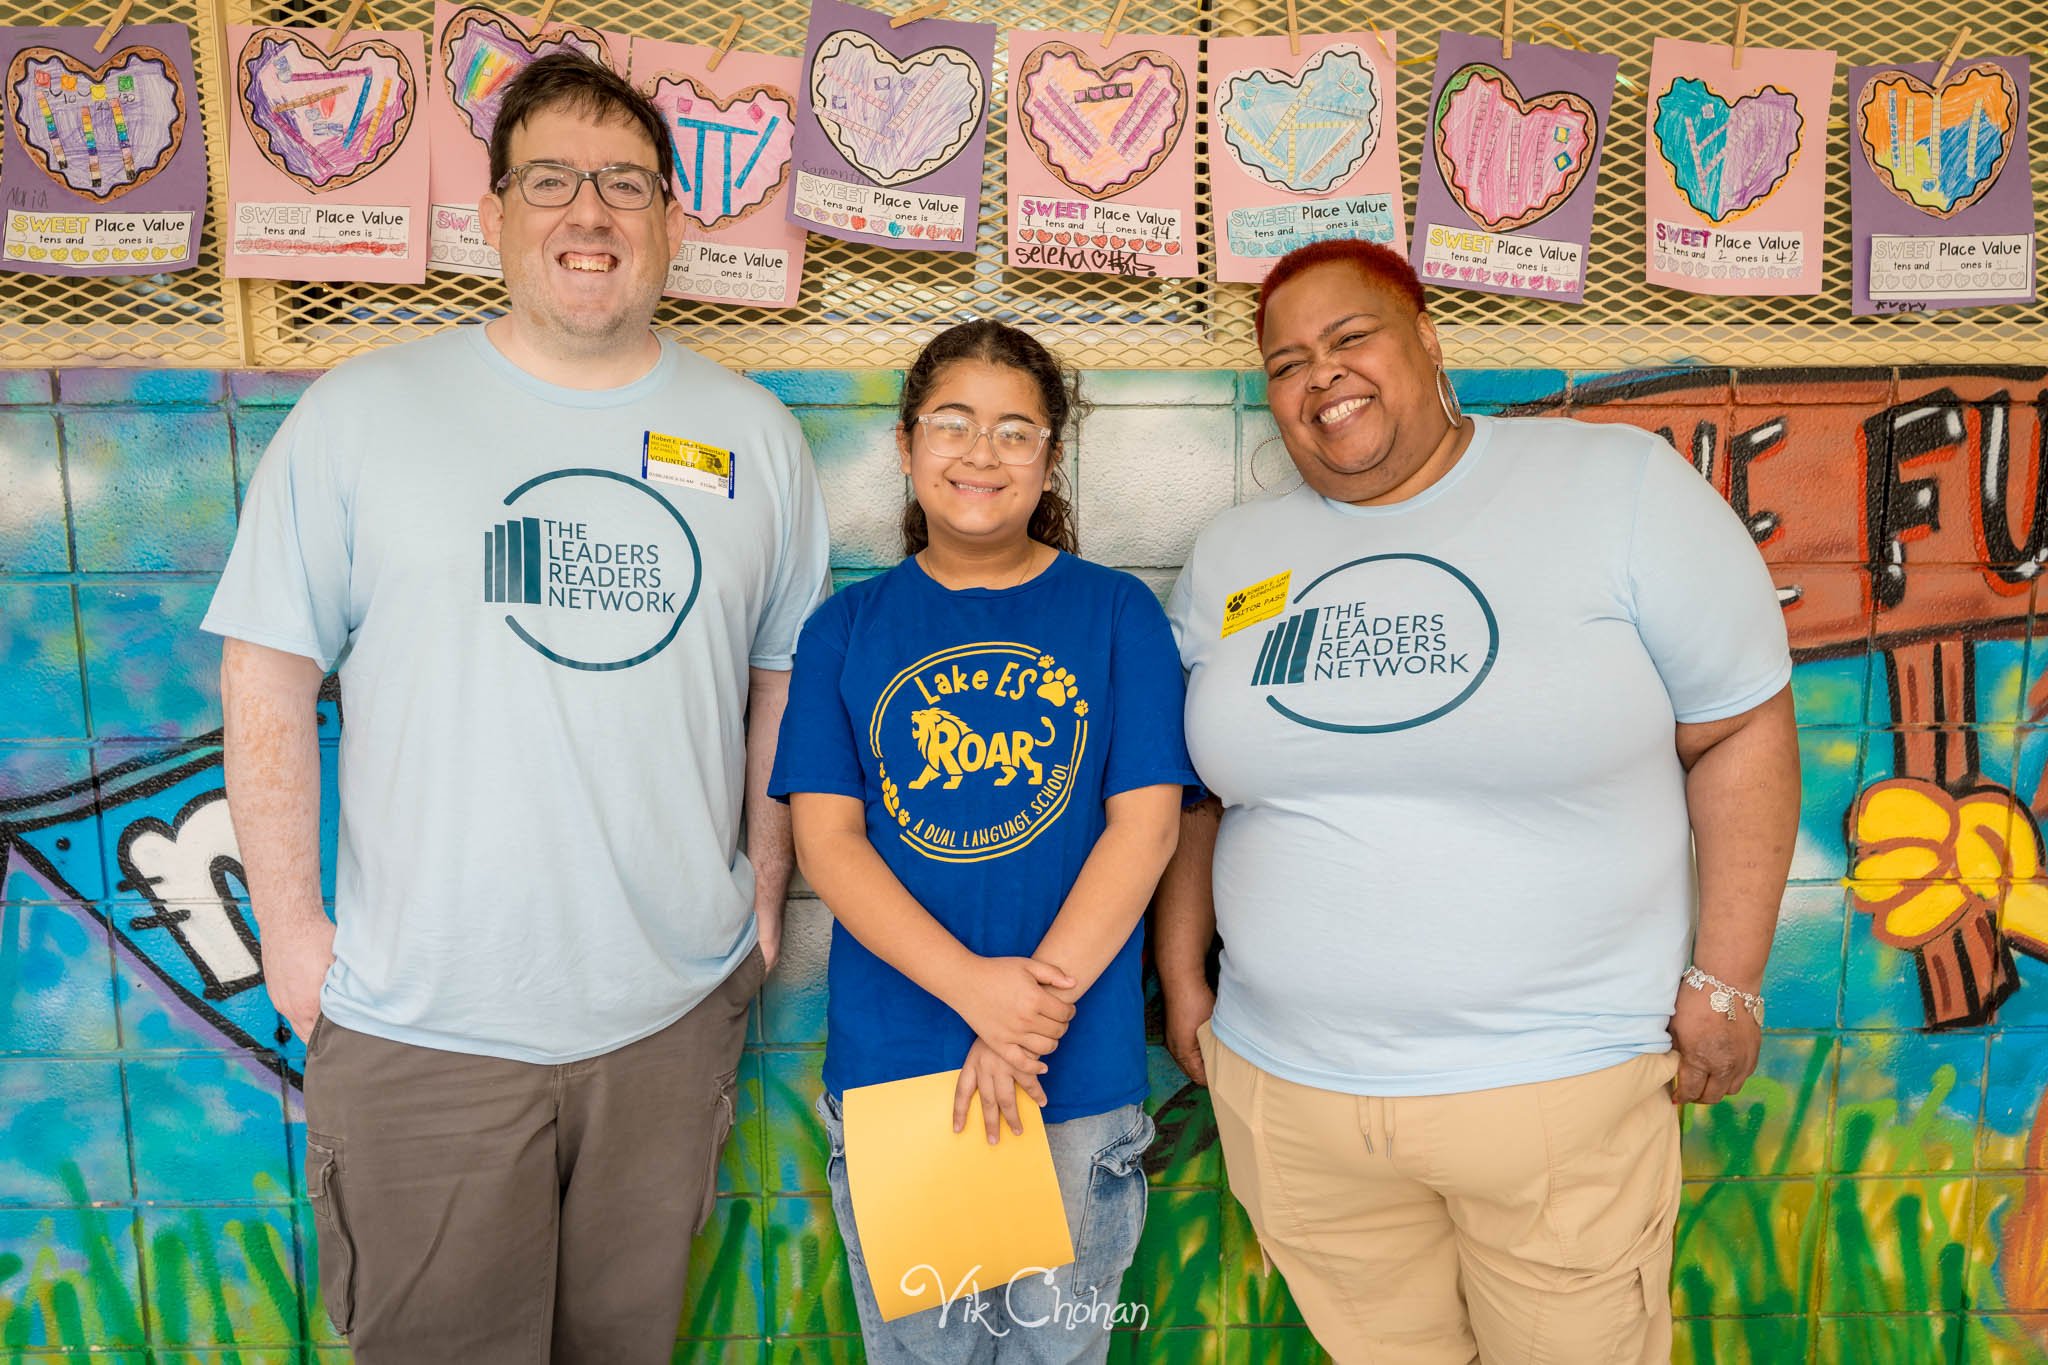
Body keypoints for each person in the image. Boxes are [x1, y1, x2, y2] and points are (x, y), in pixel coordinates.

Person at [203, 54, 829, 1364]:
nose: (586, 213)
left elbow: (783, 684)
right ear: (493, 213)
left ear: (672, 216)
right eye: (549, 179)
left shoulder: (755, 435)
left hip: (666, 1020)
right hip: (422, 1027)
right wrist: (296, 939)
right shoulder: (363, 415)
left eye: (623, 183)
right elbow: (265, 672)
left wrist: (760, 898)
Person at [1155, 239, 1798, 1365]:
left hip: (1554, 1091)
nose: (1321, 376)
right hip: (1295, 1096)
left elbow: (1741, 723)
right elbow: (1198, 796)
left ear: (1427, 341)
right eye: (1285, 360)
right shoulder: (1232, 556)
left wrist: (1726, 980)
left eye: (1350, 338)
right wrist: (1180, 979)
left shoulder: (1614, 488)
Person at [770, 320, 1197, 1360]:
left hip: (1071, 1071)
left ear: (1051, 458)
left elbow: (1142, 830)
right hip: (904, 1073)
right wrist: (976, 993)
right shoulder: (846, 628)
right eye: (952, 425)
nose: (981, 454)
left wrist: (1023, 1016)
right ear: (907, 447)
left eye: (1016, 432)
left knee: (1058, 1349)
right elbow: (827, 844)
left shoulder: (1115, 614)